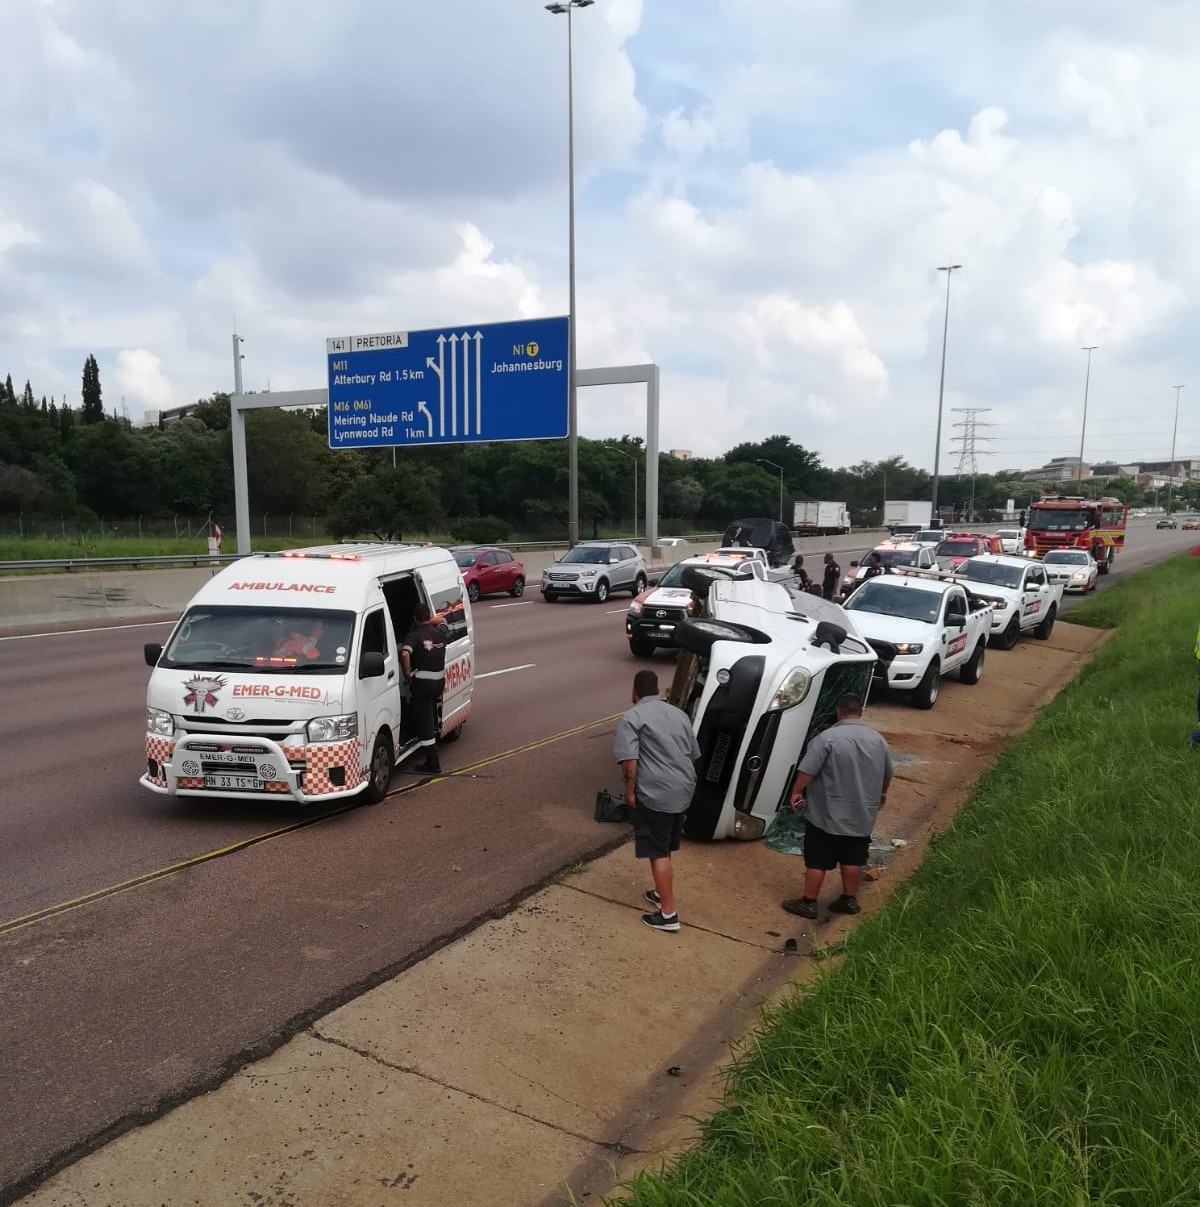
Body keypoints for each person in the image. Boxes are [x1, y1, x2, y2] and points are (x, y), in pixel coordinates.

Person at [781, 693, 893, 919]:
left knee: (817, 859)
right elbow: (888, 772)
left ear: (839, 712)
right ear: (861, 713)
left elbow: (808, 770)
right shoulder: (878, 740)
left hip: (826, 813)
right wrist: (882, 793)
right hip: (862, 814)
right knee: (853, 856)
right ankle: (849, 899)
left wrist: (796, 792)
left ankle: (809, 903)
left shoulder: (827, 738)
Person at [613, 668, 700, 933]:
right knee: (665, 846)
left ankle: (668, 914)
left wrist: (630, 793)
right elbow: (694, 753)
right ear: (657, 690)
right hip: (683, 790)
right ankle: (661, 893)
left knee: (657, 852)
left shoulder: (633, 717)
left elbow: (630, 763)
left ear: (634, 692)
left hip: (656, 793)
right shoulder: (679, 714)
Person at [400, 602, 449, 774]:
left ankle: (433, 763)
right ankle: (434, 733)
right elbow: (443, 620)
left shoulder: (414, 635)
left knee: (424, 723)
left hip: (422, 687)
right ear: (429, 617)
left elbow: (405, 653)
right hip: (439, 684)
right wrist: (432, 619)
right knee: (430, 715)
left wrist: (407, 673)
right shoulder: (440, 632)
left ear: (414, 619)